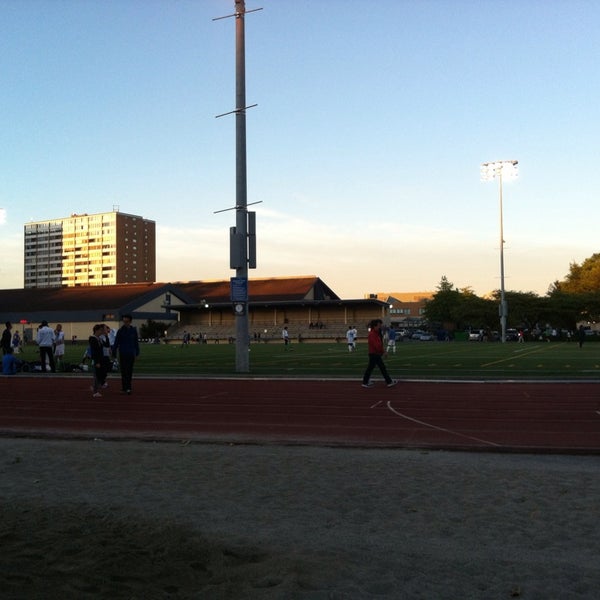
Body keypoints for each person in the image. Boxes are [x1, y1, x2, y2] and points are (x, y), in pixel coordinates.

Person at [362, 319, 397, 388]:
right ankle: (389, 382)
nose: (380, 327)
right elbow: (377, 345)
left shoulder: (375, 333)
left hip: (374, 354)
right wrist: (383, 352)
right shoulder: (373, 334)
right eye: (379, 325)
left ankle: (365, 382)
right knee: (381, 368)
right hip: (374, 354)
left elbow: (379, 344)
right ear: (375, 326)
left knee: (372, 368)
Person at [113, 314, 140, 394]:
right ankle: (125, 388)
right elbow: (116, 342)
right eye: (124, 321)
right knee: (124, 371)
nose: (125, 323)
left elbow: (136, 342)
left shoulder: (133, 330)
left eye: (127, 321)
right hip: (123, 353)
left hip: (131, 354)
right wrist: (114, 352)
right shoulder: (120, 331)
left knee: (129, 371)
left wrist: (137, 352)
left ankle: (128, 387)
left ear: (130, 321)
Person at [89, 324, 105, 397]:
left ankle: (95, 389)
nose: (101, 332)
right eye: (100, 330)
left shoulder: (99, 338)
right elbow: (94, 351)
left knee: (99, 376)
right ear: (96, 330)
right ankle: (95, 392)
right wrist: (97, 362)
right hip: (96, 360)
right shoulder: (93, 339)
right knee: (96, 376)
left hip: (100, 359)